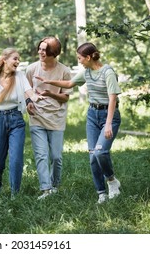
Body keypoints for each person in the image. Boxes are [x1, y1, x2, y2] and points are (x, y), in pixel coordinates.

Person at [35, 42, 121, 204]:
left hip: (108, 115)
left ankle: (112, 181)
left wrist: (108, 123)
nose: (79, 61)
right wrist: (48, 81)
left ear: (89, 57)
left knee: (100, 153)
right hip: (92, 115)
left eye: (80, 58)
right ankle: (101, 193)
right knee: (92, 157)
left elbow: (113, 99)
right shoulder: (86, 72)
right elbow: (69, 84)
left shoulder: (107, 72)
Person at [0, 48, 40, 197]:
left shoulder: (20, 76)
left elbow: (29, 92)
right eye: (15, 58)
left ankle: (15, 193)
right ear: (4, 59)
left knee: (16, 159)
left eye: (18, 59)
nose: (18, 62)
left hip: (16, 119)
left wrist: (37, 98)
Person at [25, 36, 73, 200]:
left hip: (56, 118)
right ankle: (45, 189)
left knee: (56, 157)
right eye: (40, 48)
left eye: (44, 50)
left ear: (54, 53)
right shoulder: (31, 69)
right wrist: (28, 102)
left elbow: (65, 98)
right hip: (37, 117)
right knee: (41, 155)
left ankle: (55, 186)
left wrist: (50, 94)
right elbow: (27, 91)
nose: (40, 52)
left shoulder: (64, 71)